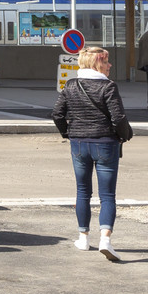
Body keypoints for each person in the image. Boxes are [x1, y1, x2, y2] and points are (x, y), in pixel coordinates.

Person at [51, 45, 128, 262]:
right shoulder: (109, 87)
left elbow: (57, 113)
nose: (110, 65)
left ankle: (83, 238)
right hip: (105, 143)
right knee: (108, 195)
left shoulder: (71, 85)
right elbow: (118, 118)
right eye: (107, 61)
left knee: (82, 191)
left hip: (78, 143)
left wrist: (67, 132)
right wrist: (123, 135)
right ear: (97, 63)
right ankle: (105, 239)